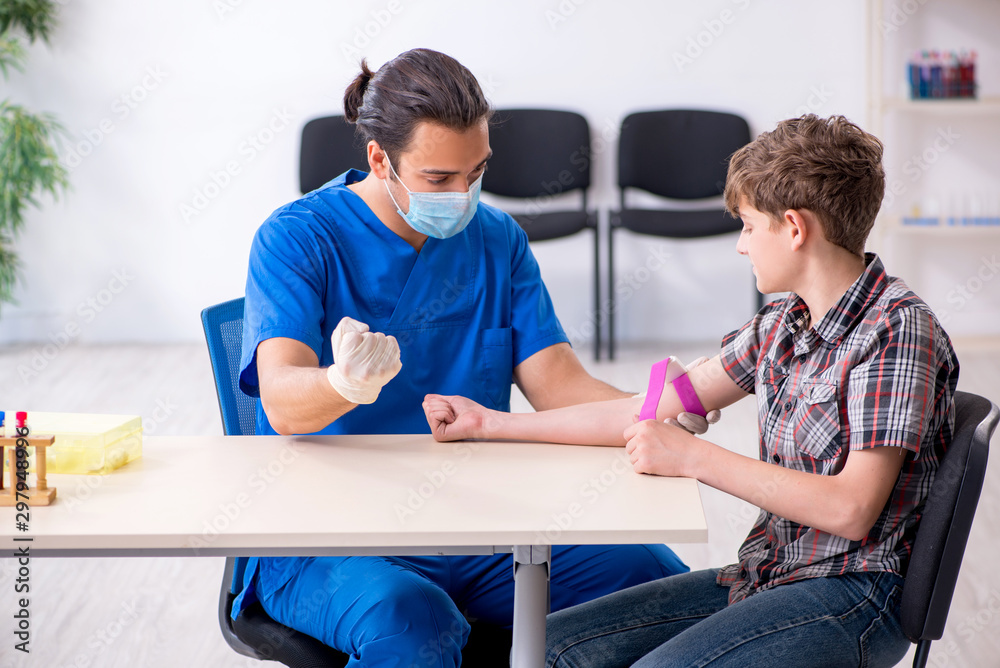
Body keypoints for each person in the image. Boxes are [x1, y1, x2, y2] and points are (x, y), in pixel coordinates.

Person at [424, 114, 959, 668]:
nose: (741, 246)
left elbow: (851, 509)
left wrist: (693, 457)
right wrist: (491, 423)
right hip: (770, 574)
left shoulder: (895, 330)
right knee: (548, 648)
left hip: (854, 594)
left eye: (749, 226)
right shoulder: (781, 325)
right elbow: (644, 411)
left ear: (795, 228)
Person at [235, 48, 693, 666]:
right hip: (333, 540)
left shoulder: (497, 239)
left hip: (478, 525)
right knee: (416, 626)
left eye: (475, 172)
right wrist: (341, 383)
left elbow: (558, 385)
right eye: (439, 180)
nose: (463, 195)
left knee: (662, 582)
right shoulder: (298, 239)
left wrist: (659, 408)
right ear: (380, 159)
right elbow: (283, 401)